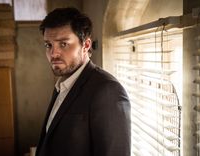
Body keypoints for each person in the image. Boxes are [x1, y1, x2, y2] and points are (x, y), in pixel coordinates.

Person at [36, 7, 131, 156]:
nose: (53, 54)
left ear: (86, 45)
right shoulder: (62, 85)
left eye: (63, 44)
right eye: (49, 45)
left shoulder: (108, 91)